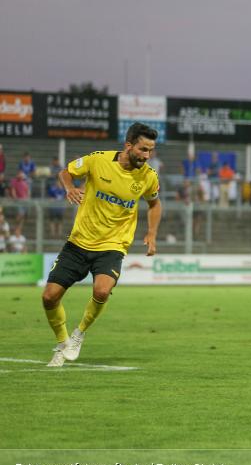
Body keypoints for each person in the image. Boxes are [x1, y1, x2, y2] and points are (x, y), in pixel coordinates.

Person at [41, 123, 162, 367]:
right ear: (128, 146)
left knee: (102, 291)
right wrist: (70, 187)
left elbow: (154, 204)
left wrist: (151, 233)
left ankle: (79, 334)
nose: (147, 156)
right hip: (79, 242)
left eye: (151, 151)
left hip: (113, 245)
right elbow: (65, 172)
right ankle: (63, 341)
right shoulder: (98, 160)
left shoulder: (148, 176)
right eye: (143, 149)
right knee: (49, 297)